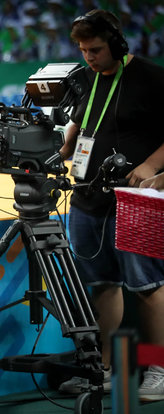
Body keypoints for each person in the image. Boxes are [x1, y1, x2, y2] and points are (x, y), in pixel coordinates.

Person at [58, 10, 164, 400]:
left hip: (136, 200)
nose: (90, 57)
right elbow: (76, 129)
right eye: (84, 50)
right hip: (88, 198)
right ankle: (102, 369)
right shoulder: (85, 79)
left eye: (97, 49)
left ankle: (160, 367)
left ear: (117, 44)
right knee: (102, 285)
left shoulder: (152, 78)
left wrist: (152, 165)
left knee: (147, 286)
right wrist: (59, 149)